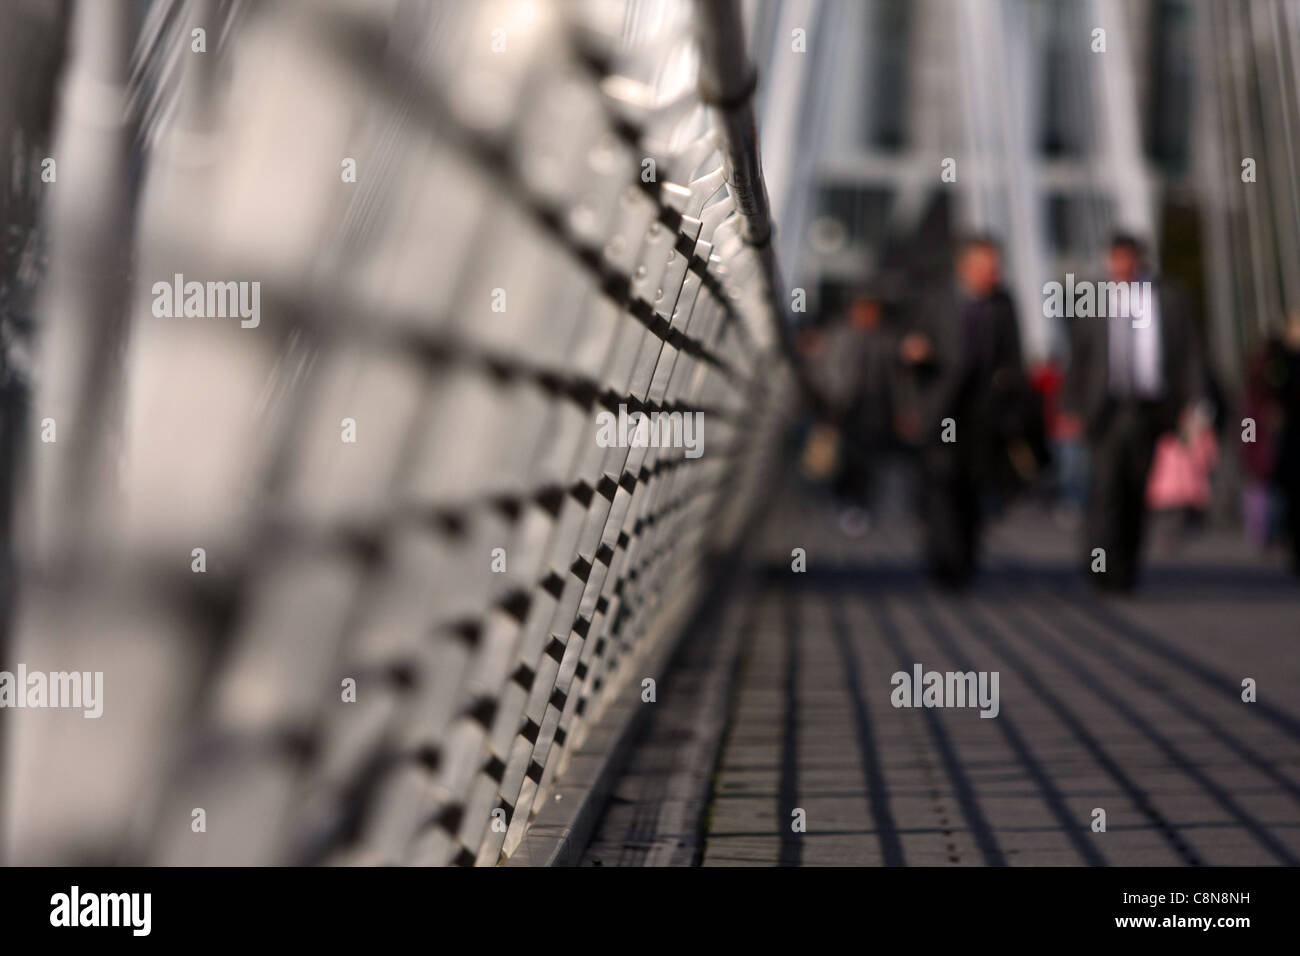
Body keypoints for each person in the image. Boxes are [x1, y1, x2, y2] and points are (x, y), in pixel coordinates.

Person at [1065, 233, 1201, 592]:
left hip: (1148, 409)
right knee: (1104, 488)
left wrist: (1194, 405)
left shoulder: (1169, 298)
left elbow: (1188, 354)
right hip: (1105, 409)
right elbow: (1078, 357)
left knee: (1136, 491)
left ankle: (1126, 568)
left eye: (1129, 258)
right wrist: (1071, 407)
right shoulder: (1091, 297)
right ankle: (1100, 564)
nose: (1123, 266)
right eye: (1117, 258)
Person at [900, 236, 1027, 587]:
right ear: (965, 268)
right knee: (941, 486)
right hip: (941, 411)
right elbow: (909, 345)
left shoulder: (1003, 305)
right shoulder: (935, 300)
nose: (994, 274)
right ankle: (944, 560)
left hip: (983, 416)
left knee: (972, 490)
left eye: (996, 267)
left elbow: (1015, 360)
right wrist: (916, 354)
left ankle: (965, 559)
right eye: (987, 267)